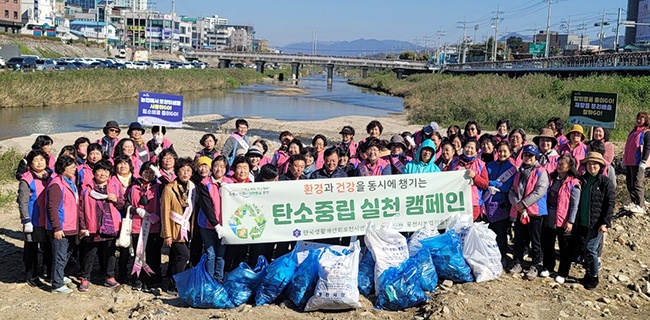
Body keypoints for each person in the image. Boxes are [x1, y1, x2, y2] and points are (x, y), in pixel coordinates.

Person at [77, 159, 124, 292]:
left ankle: (110, 276)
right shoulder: (87, 189)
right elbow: (80, 208)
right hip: (92, 225)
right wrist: (82, 226)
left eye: (106, 171)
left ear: (109, 174)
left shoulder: (115, 186)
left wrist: (116, 200)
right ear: (94, 172)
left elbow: (122, 204)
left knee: (110, 252)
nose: (102, 173)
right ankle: (85, 277)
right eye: (99, 170)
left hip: (110, 225)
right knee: (89, 253)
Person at [508, 144, 549, 281]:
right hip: (520, 211)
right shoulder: (519, 172)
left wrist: (524, 203)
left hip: (535, 212)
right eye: (526, 155)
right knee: (519, 238)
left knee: (535, 240)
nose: (528, 157)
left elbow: (539, 191)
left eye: (531, 155)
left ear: (536, 156)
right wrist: (517, 204)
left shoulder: (541, 172)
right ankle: (518, 262)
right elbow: (512, 190)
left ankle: (535, 265)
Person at [574, 152, 614, 290]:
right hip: (583, 221)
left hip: (596, 223)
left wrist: (605, 223)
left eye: (595, 164)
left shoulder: (605, 182)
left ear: (601, 166)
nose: (592, 166)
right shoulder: (582, 180)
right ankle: (588, 273)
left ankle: (594, 277)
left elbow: (610, 204)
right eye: (590, 163)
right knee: (586, 249)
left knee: (591, 249)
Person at [541, 154, 581, 284]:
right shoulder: (551, 178)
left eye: (563, 163)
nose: (559, 165)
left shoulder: (573, 183)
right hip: (549, 216)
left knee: (565, 247)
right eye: (558, 163)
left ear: (569, 166)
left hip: (563, 219)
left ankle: (563, 272)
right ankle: (548, 266)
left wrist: (571, 221)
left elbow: (575, 205)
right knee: (548, 244)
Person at [160, 157, 197, 294]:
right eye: (182, 170)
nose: (185, 173)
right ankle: (175, 284)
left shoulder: (192, 188)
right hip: (174, 229)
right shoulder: (169, 189)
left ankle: (171, 282)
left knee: (176, 257)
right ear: (177, 172)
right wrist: (167, 234)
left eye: (188, 170)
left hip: (186, 229)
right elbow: (165, 212)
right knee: (184, 256)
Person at [124, 162, 163, 292]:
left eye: (151, 172)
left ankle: (151, 280)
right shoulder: (133, 187)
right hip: (137, 225)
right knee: (138, 253)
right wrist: (135, 210)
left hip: (154, 226)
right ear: (140, 172)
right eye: (146, 171)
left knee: (153, 255)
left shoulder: (159, 187)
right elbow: (126, 204)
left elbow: (168, 188)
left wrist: (159, 174)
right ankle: (138, 279)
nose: (148, 175)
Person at [18, 149, 52, 287]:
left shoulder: (50, 176)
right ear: (30, 163)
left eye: (42, 160)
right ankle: (31, 275)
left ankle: (47, 271)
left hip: (48, 219)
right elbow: (23, 201)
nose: (39, 163)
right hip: (33, 219)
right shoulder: (26, 179)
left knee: (48, 246)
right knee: (31, 248)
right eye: (35, 160)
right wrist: (26, 220)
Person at [46, 156, 79, 294]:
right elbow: (53, 208)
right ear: (62, 168)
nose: (74, 169)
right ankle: (57, 284)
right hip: (61, 227)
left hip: (70, 225)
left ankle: (58, 275)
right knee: (60, 255)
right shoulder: (56, 184)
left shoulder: (69, 182)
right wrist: (57, 228)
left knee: (67, 253)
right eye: (71, 167)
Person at [484, 141, 517, 267]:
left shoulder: (512, 169)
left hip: (502, 205)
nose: (502, 154)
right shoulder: (490, 165)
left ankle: (502, 256)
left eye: (505, 151)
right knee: (489, 232)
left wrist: (492, 184)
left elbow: (507, 187)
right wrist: (491, 184)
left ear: (510, 152)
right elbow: (484, 180)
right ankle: (490, 256)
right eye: (500, 151)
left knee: (501, 233)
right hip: (488, 204)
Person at [197, 155, 229, 281]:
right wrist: (216, 224)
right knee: (211, 253)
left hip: (225, 224)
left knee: (221, 254)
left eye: (222, 166)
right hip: (208, 224)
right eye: (216, 166)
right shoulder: (205, 184)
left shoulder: (230, 183)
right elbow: (207, 206)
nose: (218, 169)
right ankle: (209, 280)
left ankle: (219, 278)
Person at [224, 156, 253, 271]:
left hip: (246, 225)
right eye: (239, 168)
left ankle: (236, 275)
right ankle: (224, 274)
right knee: (229, 252)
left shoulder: (252, 185)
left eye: (245, 168)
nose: (242, 171)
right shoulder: (227, 184)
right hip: (230, 224)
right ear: (234, 169)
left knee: (242, 252)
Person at [449, 138, 488, 221]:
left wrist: (475, 176)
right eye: (467, 147)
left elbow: (485, 184)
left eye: (472, 148)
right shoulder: (454, 161)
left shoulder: (481, 164)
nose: (469, 150)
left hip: (473, 204)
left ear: (477, 151)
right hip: (456, 201)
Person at [623, 112, 650, 215]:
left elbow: (648, 147)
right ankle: (634, 202)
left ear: (646, 120)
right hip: (629, 161)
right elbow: (628, 146)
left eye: (641, 119)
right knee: (629, 183)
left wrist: (643, 161)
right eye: (638, 118)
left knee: (637, 183)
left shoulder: (646, 132)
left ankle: (640, 205)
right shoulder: (633, 132)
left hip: (638, 162)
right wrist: (624, 159)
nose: (639, 120)